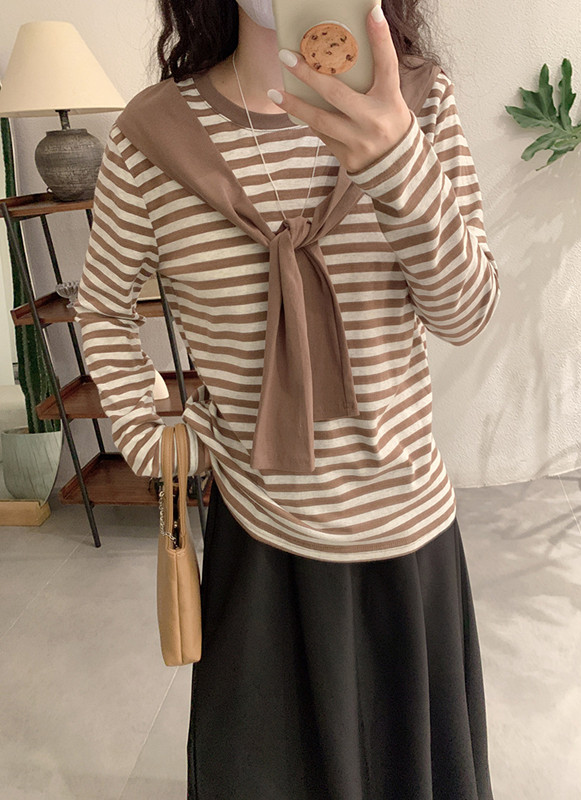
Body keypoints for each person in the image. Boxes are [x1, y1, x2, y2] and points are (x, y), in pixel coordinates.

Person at [74, 0, 500, 797]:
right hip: (260, 541)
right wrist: (148, 435)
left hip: (407, 535)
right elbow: (101, 307)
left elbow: (465, 313)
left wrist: (396, 162)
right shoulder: (152, 137)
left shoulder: (414, 100)